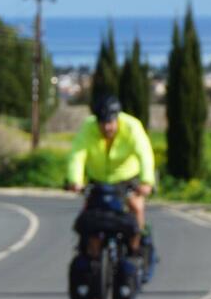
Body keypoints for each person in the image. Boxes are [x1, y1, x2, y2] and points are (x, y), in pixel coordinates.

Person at [64, 95, 155, 253]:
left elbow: (145, 154)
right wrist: (75, 180)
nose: (107, 128)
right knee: (89, 216)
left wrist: (147, 182)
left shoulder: (132, 126)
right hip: (99, 180)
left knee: (136, 207)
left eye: (110, 123)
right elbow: (77, 155)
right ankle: (92, 256)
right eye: (102, 123)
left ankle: (135, 248)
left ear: (117, 118)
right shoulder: (88, 127)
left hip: (126, 178)